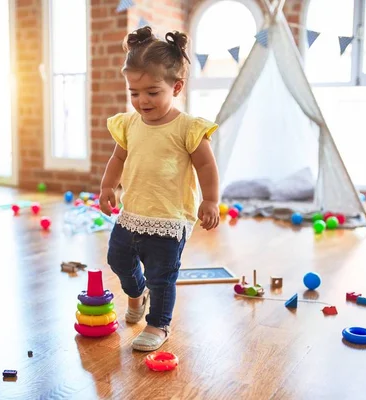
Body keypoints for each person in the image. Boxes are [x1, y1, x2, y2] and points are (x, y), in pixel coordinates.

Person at [99, 26, 220, 352]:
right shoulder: (129, 123)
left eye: (152, 92)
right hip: (132, 213)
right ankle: (136, 294)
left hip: (169, 219)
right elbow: (118, 157)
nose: (142, 101)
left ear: (176, 86)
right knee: (118, 259)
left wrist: (210, 200)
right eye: (134, 92)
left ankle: (158, 324)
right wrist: (108, 186)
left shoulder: (187, 128)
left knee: (162, 276)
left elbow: (206, 166)